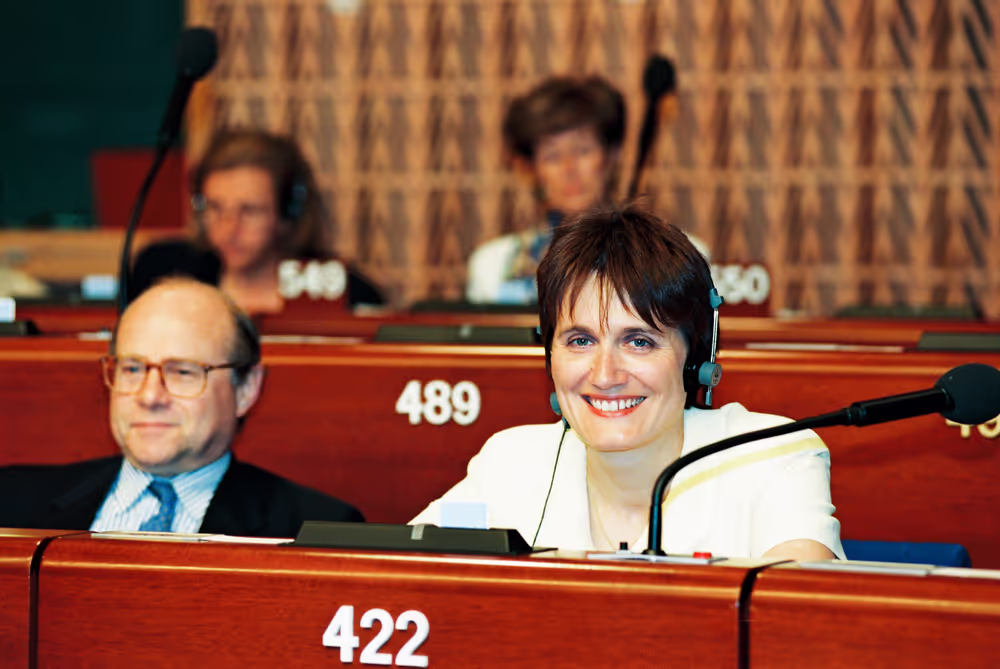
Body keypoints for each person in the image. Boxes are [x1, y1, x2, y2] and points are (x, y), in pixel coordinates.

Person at [416, 205, 841, 560]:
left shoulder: (770, 457)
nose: (604, 376)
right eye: (580, 340)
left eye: (638, 341)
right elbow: (399, 575)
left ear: (694, 357)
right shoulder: (510, 462)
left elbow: (804, 626)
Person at [0, 278, 364, 536]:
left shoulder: (311, 531)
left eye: (183, 372)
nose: (150, 396)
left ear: (246, 388)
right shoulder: (12, 503)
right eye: (132, 368)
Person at [466, 76, 709, 304]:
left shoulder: (678, 257)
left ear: (612, 156)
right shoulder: (492, 266)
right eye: (552, 156)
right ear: (532, 170)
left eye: (583, 150)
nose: (569, 168)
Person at [131, 128, 384, 311]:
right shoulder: (165, 271)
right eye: (216, 208)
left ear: (288, 213)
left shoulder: (342, 290)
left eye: (249, 211)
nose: (229, 228)